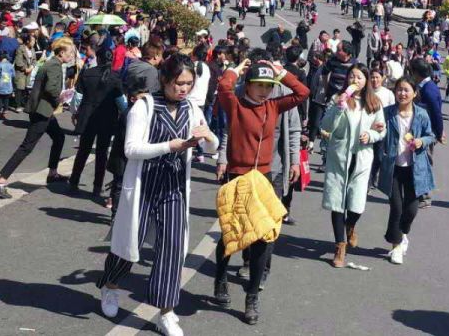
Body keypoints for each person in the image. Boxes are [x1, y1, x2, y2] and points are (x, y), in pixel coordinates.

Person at [96, 54, 218, 335]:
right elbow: (131, 149)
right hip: (144, 186)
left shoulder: (192, 109)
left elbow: (211, 148)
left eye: (188, 83)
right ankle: (110, 286)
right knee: (129, 246)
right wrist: (169, 146)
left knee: (173, 249)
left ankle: (166, 311)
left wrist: (209, 138)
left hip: (174, 188)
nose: (183, 89)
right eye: (178, 83)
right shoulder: (145, 107)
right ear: (164, 80)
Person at [212, 50, 309, 325]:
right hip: (237, 176)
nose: (265, 91)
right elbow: (223, 86)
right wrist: (236, 68)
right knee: (231, 234)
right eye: (260, 85)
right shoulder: (235, 104)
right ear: (249, 84)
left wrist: (281, 73)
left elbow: (303, 92)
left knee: (263, 238)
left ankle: (252, 297)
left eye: (269, 87)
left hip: (263, 178)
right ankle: (220, 278)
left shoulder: (274, 106)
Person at [320, 65, 386, 267]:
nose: (355, 80)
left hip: (362, 158)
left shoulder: (374, 103)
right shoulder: (337, 99)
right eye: (352, 76)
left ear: (366, 81)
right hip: (339, 156)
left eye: (359, 77)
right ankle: (340, 246)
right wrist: (338, 106)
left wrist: (371, 135)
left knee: (356, 205)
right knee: (337, 202)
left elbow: (381, 130)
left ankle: (351, 226)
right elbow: (326, 126)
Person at [0, 37, 75, 198]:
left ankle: (52, 172)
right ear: (62, 52)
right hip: (42, 112)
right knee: (26, 147)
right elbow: (51, 89)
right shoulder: (55, 66)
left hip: (44, 111)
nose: (71, 56)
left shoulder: (51, 63)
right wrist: (62, 97)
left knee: (59, 137)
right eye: (70, 53)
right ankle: (1, 180)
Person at [375, 77, 436, 265]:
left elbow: (431, 136)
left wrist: (421, 141)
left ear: (414, 93)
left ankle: (403, 233)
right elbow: (378, 133)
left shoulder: (422, 115)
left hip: (414, 168)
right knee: (396, 207)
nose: (402, 93)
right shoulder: (386, 113)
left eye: (406, 90)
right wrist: (377, 129)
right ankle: (396, 246)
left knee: (411, 210)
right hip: (392, 166)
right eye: (399, 90)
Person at [70, 54, 123, 201]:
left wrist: (75, 113)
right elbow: (120, 101)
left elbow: (78, 97)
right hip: (107, 119)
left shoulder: (86, 74)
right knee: (102, 153)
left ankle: (74, 181)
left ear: (98, 59)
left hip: (87, 117)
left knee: (83, 150)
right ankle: (97, 187)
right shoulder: (115, 77)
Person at [410, 58, 445, 209]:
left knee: (424, 163)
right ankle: (418, 193)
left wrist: (438, 133)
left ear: (417, 73)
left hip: (427, 133)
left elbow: (437, 114)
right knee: (418, 162)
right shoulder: (423, 86)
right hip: (419, 131)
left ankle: (425, 196)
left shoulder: (429, 89)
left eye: (411, 71)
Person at [0, 55, 16, 119]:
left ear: (0, 58)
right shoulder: (11, 65)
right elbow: (13, 75)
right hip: (8, 85)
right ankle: (5, 110)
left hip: (0, 85)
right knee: (6, 98)